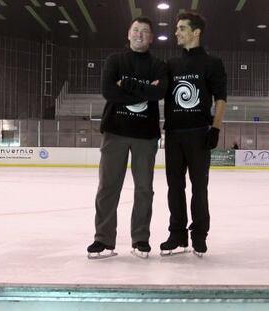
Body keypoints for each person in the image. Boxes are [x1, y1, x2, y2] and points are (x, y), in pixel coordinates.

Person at [87, 16, 167, 258]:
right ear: (128, 34)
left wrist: (127, 86)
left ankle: (140, 239)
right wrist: (144, 92)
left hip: (145, 135)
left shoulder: (158, 65)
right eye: (135, 30)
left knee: (144, 189)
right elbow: (108, 91)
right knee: (108, 187)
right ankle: (103, 239)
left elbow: (160, 92)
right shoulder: (115, 60)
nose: (139, 34)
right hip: (115, 131)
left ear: (151, 38)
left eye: (145, 31)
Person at [161, 12, 227, 256]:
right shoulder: (171, 65)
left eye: (181, 28)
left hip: (199, 133)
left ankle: (199, 234)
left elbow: (221, 99)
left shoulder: (212, 63)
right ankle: (177, 234)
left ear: (196, 32)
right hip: (174, 134)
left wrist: (216, 128)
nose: (176, 32)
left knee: (199, 187)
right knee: (174, 186)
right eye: (176, 28)